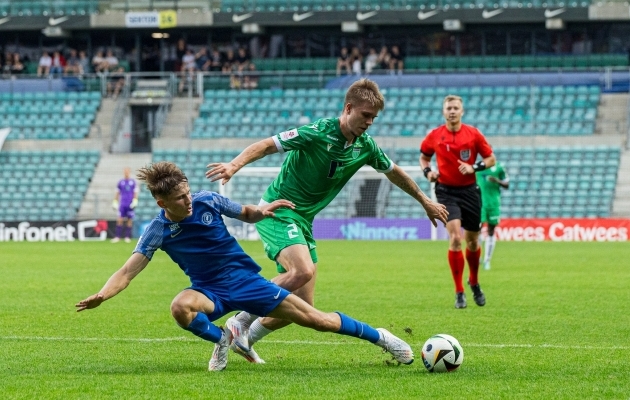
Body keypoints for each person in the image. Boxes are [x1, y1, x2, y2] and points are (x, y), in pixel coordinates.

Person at [76, 162, 414, 371]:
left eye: (189, 193)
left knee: (317, 320)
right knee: (180, 307)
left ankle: (383, 339)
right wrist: (103, 295)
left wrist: (263, 212)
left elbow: (245, 212)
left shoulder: (208, 200)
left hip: (243, 280)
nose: (189, 201)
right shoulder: (157, 231)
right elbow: (126, 272)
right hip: (208, 290)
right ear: (163, 203)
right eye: (181, 199)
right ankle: (222, 339)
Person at [206, 78, 448, 363]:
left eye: (374, 118)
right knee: (302, 271)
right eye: (365, 115)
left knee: (304, 308)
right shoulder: (317, 132)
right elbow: (268, 145)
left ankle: (245, 338)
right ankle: (240, 321)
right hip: (277, 209)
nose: (370, 122)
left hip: (304, 220)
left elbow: (394, 172)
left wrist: (425, 201)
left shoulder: (365, 146)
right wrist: (234, 165)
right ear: (348, 108)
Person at [420, 94, 496, 309]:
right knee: (455, 238)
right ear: (443, 112)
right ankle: (459, 291)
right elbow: (424, 157)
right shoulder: (434, 135)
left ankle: (473, 280)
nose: (452, 111)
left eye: (455, 108)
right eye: (448, 108)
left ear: (462, 111)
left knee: (472, 241)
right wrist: (428, 172)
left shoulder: (473, 134)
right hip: (445, 191)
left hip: (470, 191)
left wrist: (474, 167)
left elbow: (491, 159)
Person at [476, 160, 509, 271]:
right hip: (480, 203)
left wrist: (497, 181)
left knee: (491, 231)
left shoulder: (499, 167)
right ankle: (477, 257)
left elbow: (507, 184)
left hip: (494, 203)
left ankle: (487, 261)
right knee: (477, 230)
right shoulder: (477, 167)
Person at [111, 167, 139, 243]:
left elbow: (135, 192)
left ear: (129, 172)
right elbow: (117, 192)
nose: (126, 173)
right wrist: (115, 201)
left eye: (127, 171)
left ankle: (127, 237)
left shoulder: (133, 182)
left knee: (129, 220)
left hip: (130, 203)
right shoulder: (121, 182)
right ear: (124, 172)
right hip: (122, 203)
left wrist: (135, 200)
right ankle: (117, 236)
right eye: (125, 171)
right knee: (119, 219)